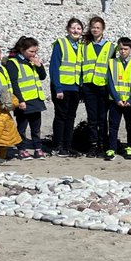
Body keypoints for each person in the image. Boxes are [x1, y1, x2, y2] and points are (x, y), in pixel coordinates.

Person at [6, 36, 47, 159]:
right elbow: (14, 84)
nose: (34, 54)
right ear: (22, 50)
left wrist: (39, 65)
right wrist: (20, 100)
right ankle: (21, 149)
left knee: (36, 127)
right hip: (23, 101)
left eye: (35, 51)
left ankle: (38, 148)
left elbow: (42, 76)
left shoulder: (32, 61)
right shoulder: (13, 63)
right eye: (31, 51)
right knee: (22, 127)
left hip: (36, 99)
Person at [80, 16, 115, 159]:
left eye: (98, 28)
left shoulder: (110, 47)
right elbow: (81, 66)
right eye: (93, 27)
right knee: (92, 118)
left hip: (103, 87)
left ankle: (102, 145)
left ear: (103, 29)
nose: (95, 30)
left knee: (102, 118)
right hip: (89, 86)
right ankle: (93, 145)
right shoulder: (84, 46)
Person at [49, 17, 84, 157]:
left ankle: (67, 145)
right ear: (68, 29)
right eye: (73, 28)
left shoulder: (81, 46)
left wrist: (81, 87)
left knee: (71, 117)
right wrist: (58, 87)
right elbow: (54, 67)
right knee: (61, 116)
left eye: (79, 28)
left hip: (74, 87)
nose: (76, 30)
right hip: (62, 87)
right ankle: (57, 145)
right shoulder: (61, 44)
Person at [106, 37, 131, 160]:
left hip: (128, 102)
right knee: (113, 125)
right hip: (115, 101)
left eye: (126, 49)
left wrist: (130, 99)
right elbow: (110, 82)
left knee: (130, 125)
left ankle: (130, 147)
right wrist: (117, 99)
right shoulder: (112, 62)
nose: (123, 51)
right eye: (121, 49)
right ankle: (111, 148)